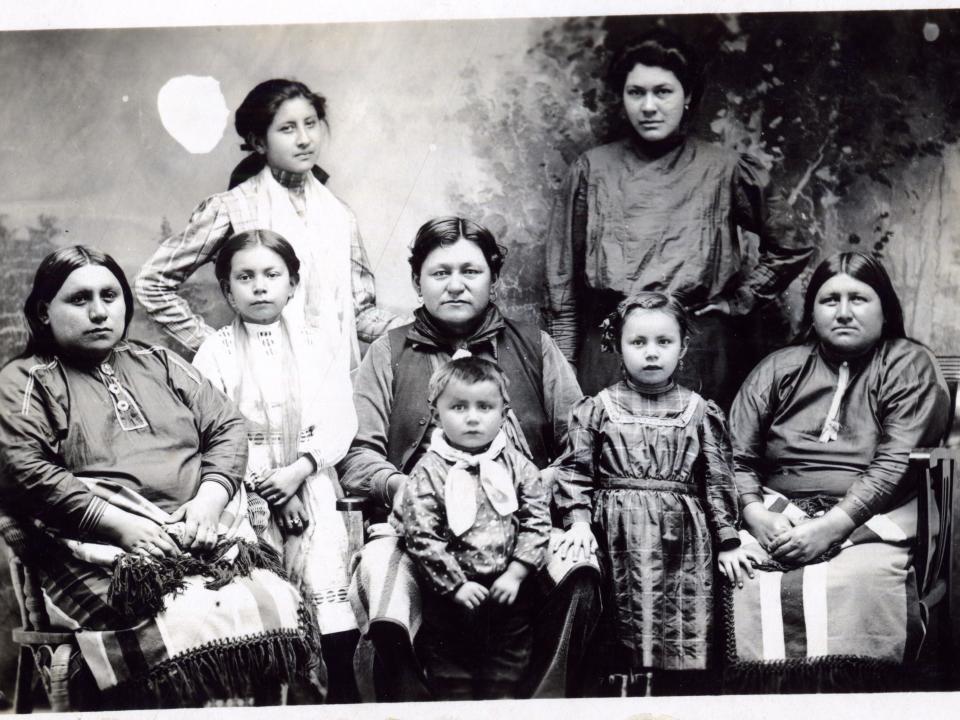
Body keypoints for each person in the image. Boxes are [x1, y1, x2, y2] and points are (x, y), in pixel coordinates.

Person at [0, 246, 321, 708]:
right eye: (79, 299)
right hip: (99, 555)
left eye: (110, 296)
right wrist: (120, 525)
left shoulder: (159, 362)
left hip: (199, 537)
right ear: (43, 312)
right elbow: (25, 469)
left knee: (276, 601)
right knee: (183, 614)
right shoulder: (25, 380)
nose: (98, 311)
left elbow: (227, 426)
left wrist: (210, 500)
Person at [338, 216, 600, 700]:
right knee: (383, 579)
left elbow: (580, 442)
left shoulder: (534, 347)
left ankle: (543, 707)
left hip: (523, 527)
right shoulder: (387, 352)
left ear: (494, 279)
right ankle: (413, 710)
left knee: (579, 571)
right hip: (418, 533)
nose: (455, 285)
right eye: (439, 273)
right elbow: (357, 454)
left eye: (471, 272)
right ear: (417, 281)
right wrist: (405, 491)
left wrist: (533, 491)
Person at [544, 29, 813, 406]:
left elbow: (792, 242)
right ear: (622, 99)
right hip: (609, 348)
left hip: (698, 350)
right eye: (636, 92)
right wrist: (565, 368)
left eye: (663, 91)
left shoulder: (723, 169)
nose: (649, 106)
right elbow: (562, 283)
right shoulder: (592, 169)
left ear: (688, 97)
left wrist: (739, 300)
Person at [726, 251, 950, 691]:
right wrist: (755, 514)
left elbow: (894, 465)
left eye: (859, 299)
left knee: (856, 580)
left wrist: (830, 528)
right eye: (830, 300)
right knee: (744, 579)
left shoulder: (910, 365)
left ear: (885, 309)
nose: (844, 312)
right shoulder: (779, 367)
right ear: (812, 311)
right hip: (778, 512)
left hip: (870, 518)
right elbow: (734, 456)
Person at [554, 292, 759, 696]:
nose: (651, 353)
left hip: (682, 542)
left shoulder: (700, 411)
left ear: (683, 347)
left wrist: (729, 541)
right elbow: (575, 471)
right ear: (616, 345)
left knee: (678, 624)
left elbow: (718, 481)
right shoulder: (596, 409)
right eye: (638, 342)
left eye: (664, 342)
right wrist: (578, 521)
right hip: (614, 536)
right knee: (615, 629)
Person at [190, 230, 359, 703]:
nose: (259, 286)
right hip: (247, 493)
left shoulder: (318, 343)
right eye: (245, 277)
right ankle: (270, 704)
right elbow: (215, 432)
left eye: (271, 275)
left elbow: (341, 418)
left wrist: (301, 470)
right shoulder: (215, 352)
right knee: (265, 599)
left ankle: (343, 698)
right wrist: (270, 491)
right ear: (227, 290)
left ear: (292, 283)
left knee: (327, 589)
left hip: (311, 478)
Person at [135, 78, 400, 360]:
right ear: (259, 142)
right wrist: (217, 349)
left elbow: (360, 313)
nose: (304, 139)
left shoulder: (340, 214)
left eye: (310, 124)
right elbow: (151, 283)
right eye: (287, 128)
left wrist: (423, 326)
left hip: (331, 378)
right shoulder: (231, 208)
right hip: (257, 380)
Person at [401, 357, 552, 699]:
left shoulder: (515, 465)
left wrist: (516, 572)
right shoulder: (429, 471)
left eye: (485, 407)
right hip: (448, 595)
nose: (472, 417)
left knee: (506, 675)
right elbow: (420, 534)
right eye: (458, 407)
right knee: (451, 677)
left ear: (504, 412)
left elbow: (537, 518)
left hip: (508, 591)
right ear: (437, 414)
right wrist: (455, 585)